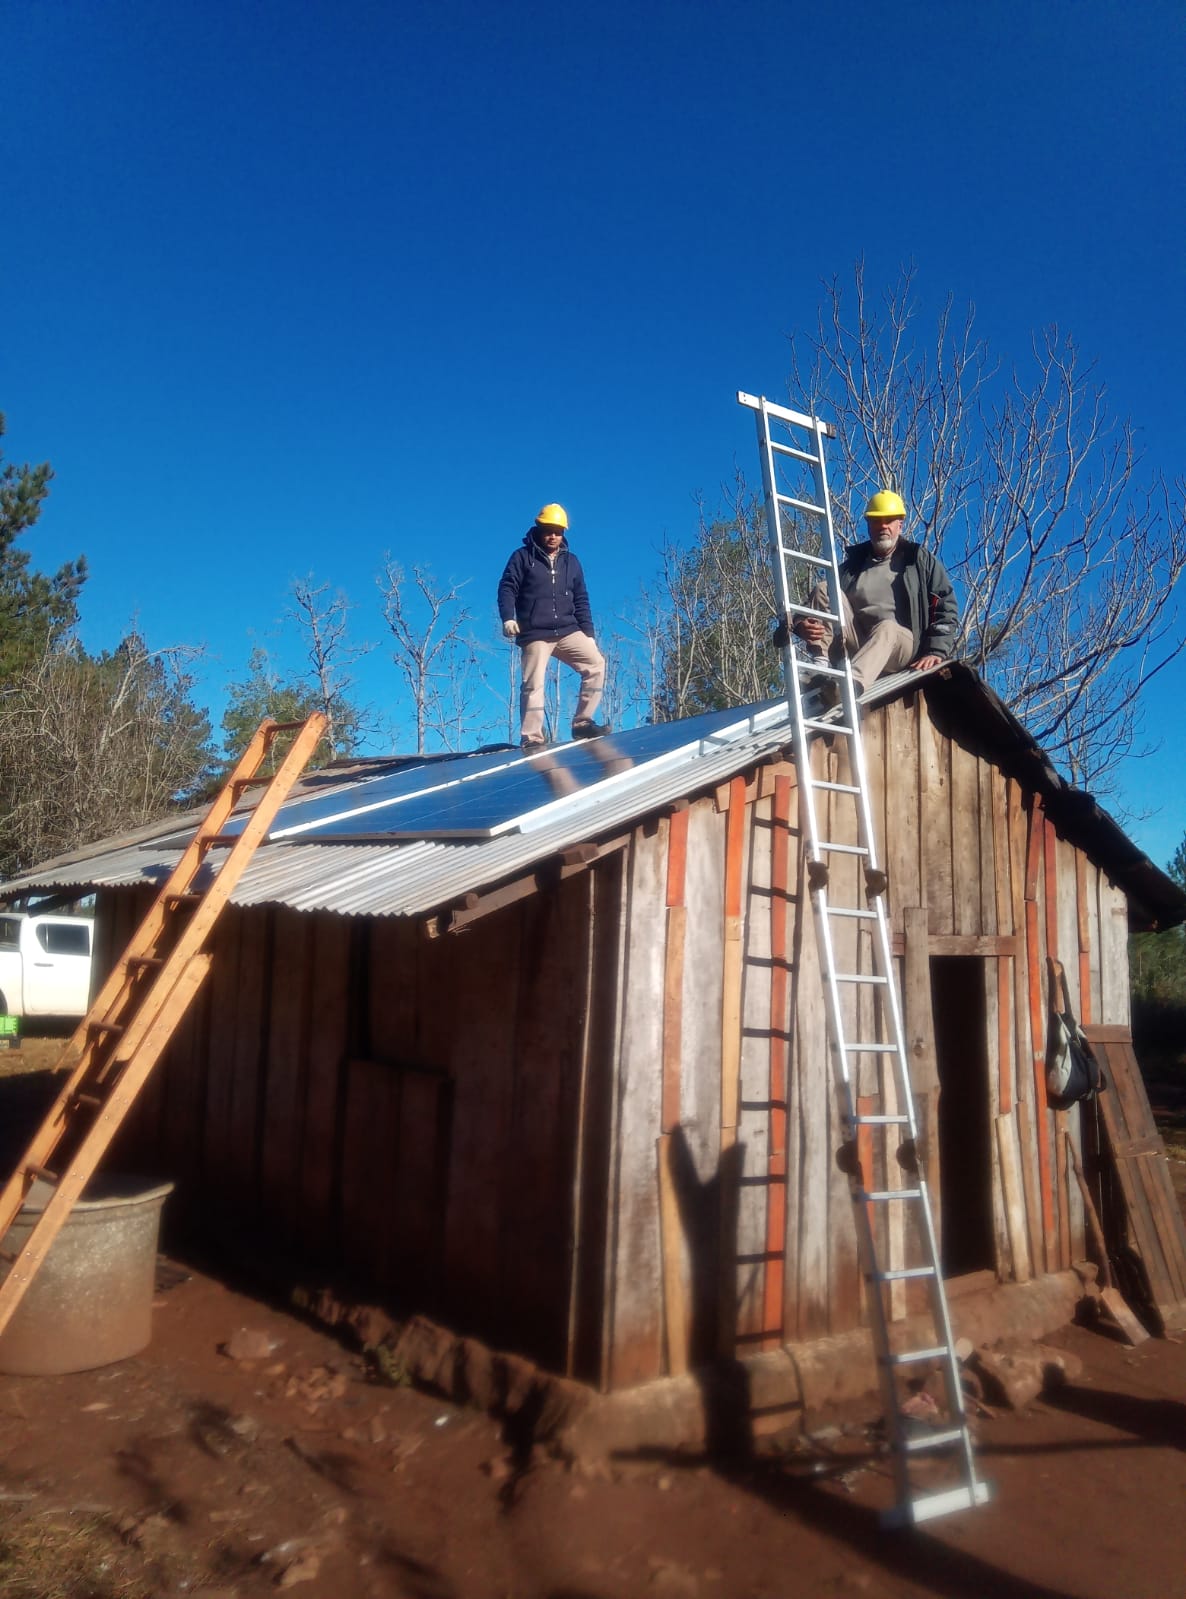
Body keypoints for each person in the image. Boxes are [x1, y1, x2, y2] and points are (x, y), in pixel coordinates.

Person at [781, 489, 958, 695]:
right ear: (868, 526)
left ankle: (848, 687)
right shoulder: (853, 566)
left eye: (889, 520)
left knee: (887, 628)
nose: (883, 526)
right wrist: (801, 623)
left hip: (901, 646)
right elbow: (812, 604)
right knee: (825, 588)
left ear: (900, 524)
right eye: (876, 521)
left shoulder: (916, 559)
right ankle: (820, 668)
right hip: (859, 643)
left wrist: (936, 650)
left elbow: (945, 604)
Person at [497, 503, 610, 748]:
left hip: (568, 629)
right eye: (549, 530)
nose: (553, 536)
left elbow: (581, 598)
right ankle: (532, 738)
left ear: (564, 533)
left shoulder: (572, 562)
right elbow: (507, 588)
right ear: (539, 529)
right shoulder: (522, 557)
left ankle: (582, 724)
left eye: (558, 531)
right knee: (534, 684)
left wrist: (588, 633)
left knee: (596, 665)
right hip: (535, 632)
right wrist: (508, 618)